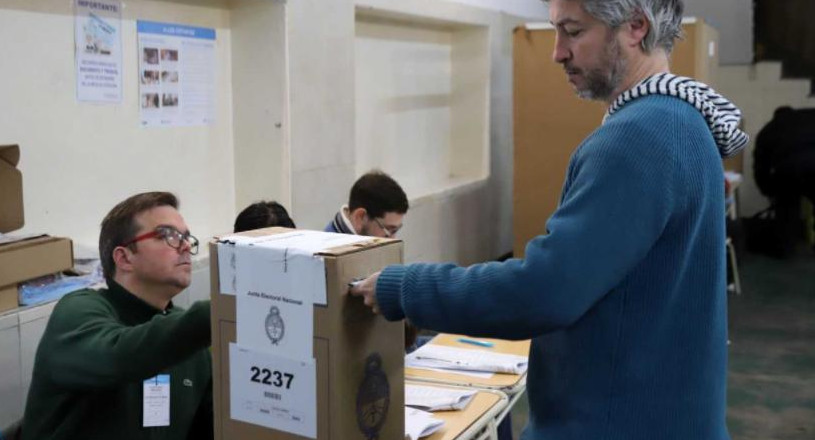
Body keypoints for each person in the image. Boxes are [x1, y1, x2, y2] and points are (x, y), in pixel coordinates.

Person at [351, 1, 749, 439]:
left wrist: (404, 287)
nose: (557, 52)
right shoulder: (683, 121)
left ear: (636, 27)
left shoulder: (637, 138)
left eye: (573, 32)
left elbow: (542, 292)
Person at [22, 192, 213, 440]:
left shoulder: (192, 346)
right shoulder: (78, 310)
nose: (186, 246)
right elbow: (119, 356)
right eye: (168, 235)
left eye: (186, 237)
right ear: (124, 258)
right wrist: (219, 311)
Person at [325, 170, 407, 238]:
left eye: (395, 230)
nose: (393, 239)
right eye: (389, 230)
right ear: (360, 217)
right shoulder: (329, 253)